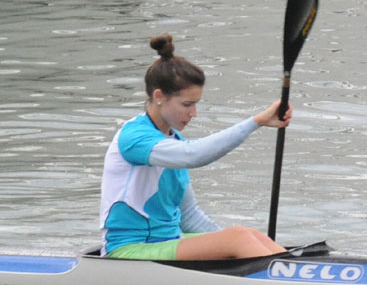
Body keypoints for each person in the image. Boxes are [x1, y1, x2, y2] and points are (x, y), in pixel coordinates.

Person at [100, 33, 292, 261]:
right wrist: (256, 122)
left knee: (251, 236)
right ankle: (291, 278)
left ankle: (293, 268)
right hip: (128, 250)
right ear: (159, 96)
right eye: (186, 104)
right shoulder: (134, 137)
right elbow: (194, 155)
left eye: (196, 104)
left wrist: (232, 249)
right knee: (238, 237)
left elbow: (189, 218)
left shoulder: (175, 141)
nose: (193, 113)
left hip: (168, 242)